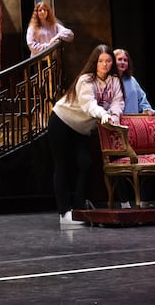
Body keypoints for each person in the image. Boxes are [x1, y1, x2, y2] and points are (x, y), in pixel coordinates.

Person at [48, 44, 124, 227]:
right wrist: (102, 114)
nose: (105, 65)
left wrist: (113, 115)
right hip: (63, 120)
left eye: (108, 61)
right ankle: (64, 213)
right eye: (101, 61)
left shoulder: (114, 81)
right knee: (62, 164)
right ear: (94, 63)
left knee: (86, 163)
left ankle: (79, 208)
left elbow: (117, 102)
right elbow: (89, 105)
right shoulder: (86, 80)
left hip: (82, 128)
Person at [112, 48, 154, 209]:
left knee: (148, 164)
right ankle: (124, 203)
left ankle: (143, 200)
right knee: (120, 166)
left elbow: (143, 99)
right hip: (116, 129)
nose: (122, 62)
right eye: (119, 59)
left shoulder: (132, 80)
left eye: (125, 60)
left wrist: (147, 109)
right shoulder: (109, 80)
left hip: (136, 130)